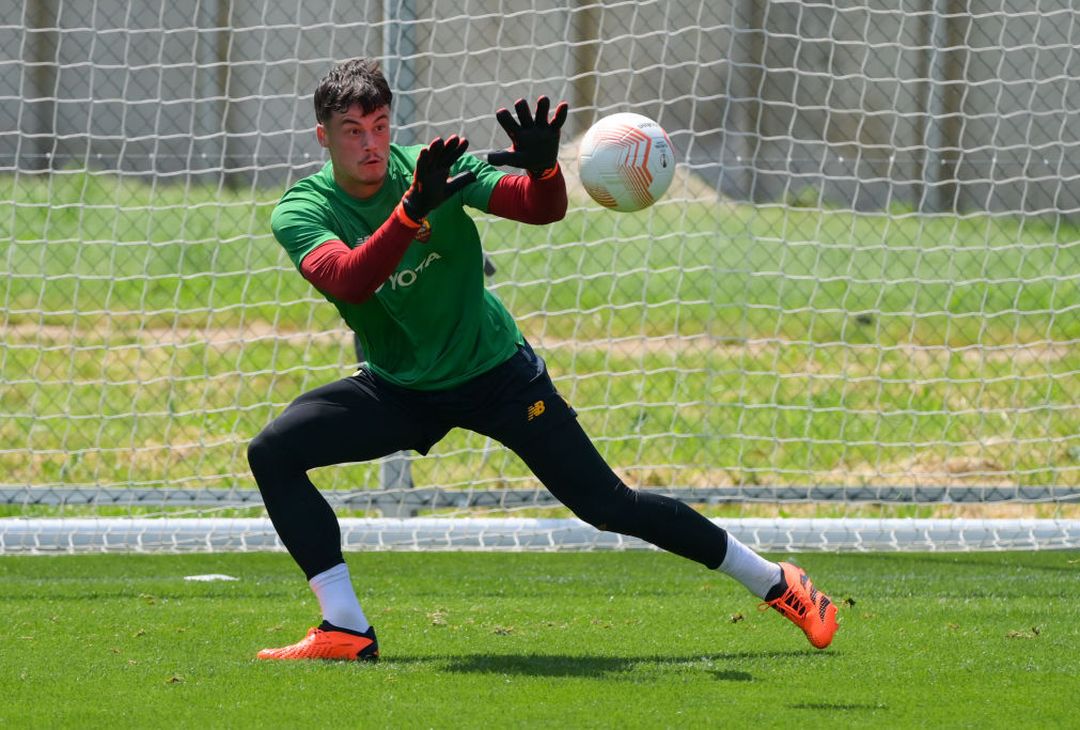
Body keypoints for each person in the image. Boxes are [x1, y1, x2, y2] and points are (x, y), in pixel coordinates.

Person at [249, 58, 838, 661]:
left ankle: (776, 580)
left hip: (498, 374)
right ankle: (345, 626)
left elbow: (539, 207)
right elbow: (349, 280)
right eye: (352, 130)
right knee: (273, 452)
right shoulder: (301, 211)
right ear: (324, 135)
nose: (371, 144)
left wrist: (545, 168)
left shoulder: (433, 169)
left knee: (608, 506)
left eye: (379, 125)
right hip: (400, 387)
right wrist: (409, 214)